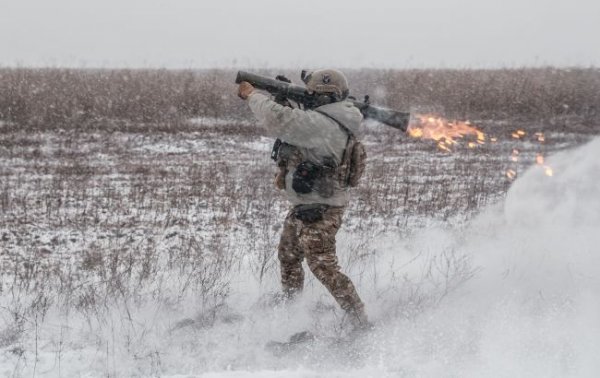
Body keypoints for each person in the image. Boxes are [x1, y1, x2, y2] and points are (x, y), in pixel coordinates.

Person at [237, 69, 369, 330]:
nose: (309, 97)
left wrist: (253, 95)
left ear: (322, 98)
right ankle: (292, 308)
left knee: (323, 267)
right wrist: (281, 97)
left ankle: (359, 320)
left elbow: (281, 120)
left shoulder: (323, 124)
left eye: (312, 95)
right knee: (288, 255)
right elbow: (294, 123)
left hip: (322, 209)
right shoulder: (332, 118)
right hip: (306, 205)